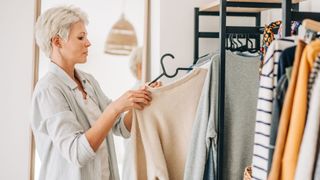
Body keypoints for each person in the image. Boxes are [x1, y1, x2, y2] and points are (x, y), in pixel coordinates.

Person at [31, 5, 160, 180]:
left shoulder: (88, 81)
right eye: (80, 37)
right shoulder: (48, 90)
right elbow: (77, 152)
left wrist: (140, 99)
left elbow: (121, 127)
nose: (88, 42)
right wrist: (115, 108)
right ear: (57, 42)